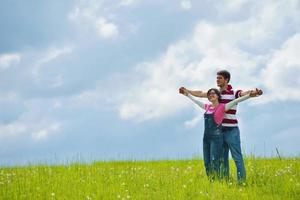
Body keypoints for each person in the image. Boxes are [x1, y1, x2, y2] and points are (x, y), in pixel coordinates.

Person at [181, 70, 262, 182]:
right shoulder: (215, 94)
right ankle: (226, 181)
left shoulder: (234, 93)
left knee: (237, 158)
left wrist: (253, 93)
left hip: (232, 131)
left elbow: (243, 94)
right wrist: (187, 91)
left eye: (220, 78)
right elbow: (200, 93)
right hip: (218, 133)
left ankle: (242, 182)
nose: (217, 80)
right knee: (223, 159)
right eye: (217, 78)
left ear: (226, 80)